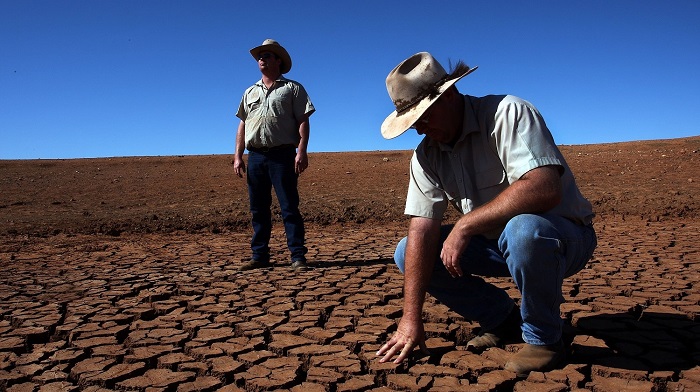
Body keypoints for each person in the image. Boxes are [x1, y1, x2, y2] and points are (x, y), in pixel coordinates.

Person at [375, 52, 597, 376]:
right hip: (496, 247)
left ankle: (545, 339)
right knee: (407, 251)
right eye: (412, 121)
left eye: (423, 115)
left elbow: (545, 187)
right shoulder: (426, 155)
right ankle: (503, 320)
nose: (419, 129)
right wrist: (411, 319)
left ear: (449, 95)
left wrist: (465, 225)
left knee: (524, 231)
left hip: (560, 239)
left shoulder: (508, 113)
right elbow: (421, 228)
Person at [232, 39, 315, 271]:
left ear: (278, 60)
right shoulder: (249, 92)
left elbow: (303, 120)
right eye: (260, 56)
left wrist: (302, 150)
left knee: (289, 207)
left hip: (283, 156)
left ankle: (297, 256)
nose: (262, 59)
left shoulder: (293, 89)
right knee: (258, 208)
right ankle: (259, 255)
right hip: (255, 156)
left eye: (267, 55)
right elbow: (242, 125)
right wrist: (238, 156)